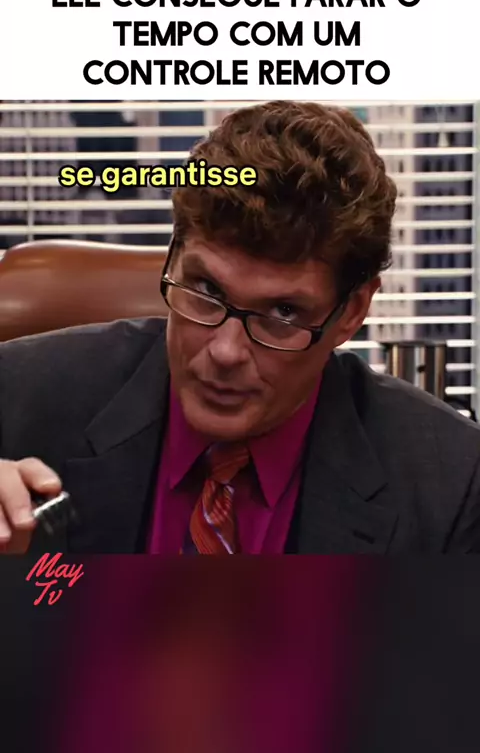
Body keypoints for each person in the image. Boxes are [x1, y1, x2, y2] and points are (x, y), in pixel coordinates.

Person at [0, 100, 480, 555]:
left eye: (283, 312)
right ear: (174, 257)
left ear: (352, 312)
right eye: (206, 289)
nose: (225, 352)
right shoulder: (17, 399)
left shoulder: (449, 485)